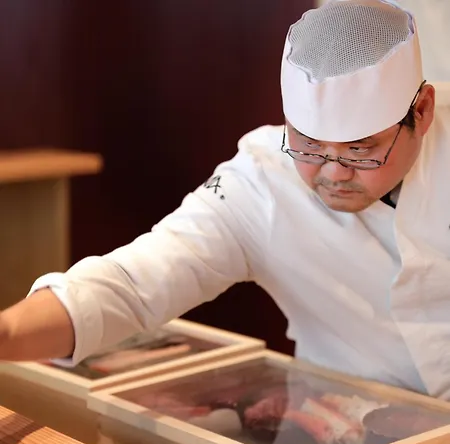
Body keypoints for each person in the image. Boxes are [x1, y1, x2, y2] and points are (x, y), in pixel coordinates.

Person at [1, 0, 449, 400]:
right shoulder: (260, 180)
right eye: (309, 145)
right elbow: (133, 285)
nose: (333, 173)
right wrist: (6, 332)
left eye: (361, 150)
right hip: (343, 416)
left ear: (422, 111)